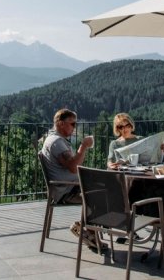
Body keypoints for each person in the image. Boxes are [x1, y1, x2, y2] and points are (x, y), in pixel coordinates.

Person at [39, 108, 105, 252]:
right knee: (99, 195)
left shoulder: (55, 139)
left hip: (68, 187)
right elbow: (74, 167)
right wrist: (84, 146)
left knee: (102, 188)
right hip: (66, 191)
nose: (75, 127)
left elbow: (73, 165)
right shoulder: (57, 142)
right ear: (61, 123)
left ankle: (88, 229)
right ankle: (87, 232)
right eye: (72, 123)